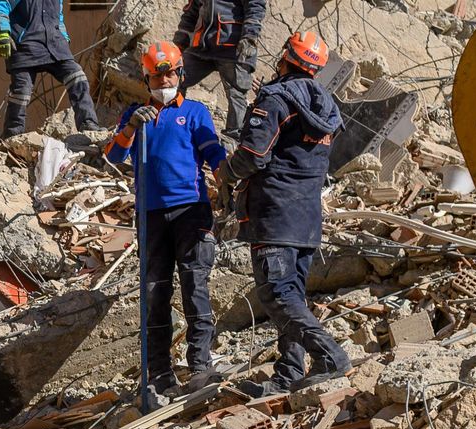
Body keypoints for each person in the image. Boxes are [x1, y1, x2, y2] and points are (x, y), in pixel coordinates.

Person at [218, 31, 351, 397]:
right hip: (306, 219)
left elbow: (253, 156)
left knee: (277, 296)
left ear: (285, 58)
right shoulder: (328, 107)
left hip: (274, 215)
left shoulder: (276, 100)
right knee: (291, 295)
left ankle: (330, 356)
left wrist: (225, 173)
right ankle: (289, 373)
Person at [106, 41, 229, 396]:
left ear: (181, 74)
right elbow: (114, 154)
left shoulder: (194, 112)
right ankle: (159, 371)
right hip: (151, 216)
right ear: (146, 80)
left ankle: (200, 365)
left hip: (190, 210)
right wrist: (130, 128)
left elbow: (213, 153)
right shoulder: (135, 114)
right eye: (156, 76)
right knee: (155, 292)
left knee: (195, 286)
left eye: (169, 73)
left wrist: (228, 182)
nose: (164, 80)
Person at [0, 0, 101, 136]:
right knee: (21, 90)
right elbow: (1, 4)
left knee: (77, 78)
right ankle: (12, 135)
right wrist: (2, 32)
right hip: (24, 44)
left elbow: (58, 16)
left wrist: (63, 37)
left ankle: (88, 124)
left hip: (54, 44)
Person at [171, 0, 266, 139]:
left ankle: (232, 142)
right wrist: (180, 41)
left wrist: (249, 37)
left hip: (233, 49)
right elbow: (191, 12)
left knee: (236, 96)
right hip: (203, 47)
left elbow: (255, 7)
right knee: (175, 77)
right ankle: (170, 121)